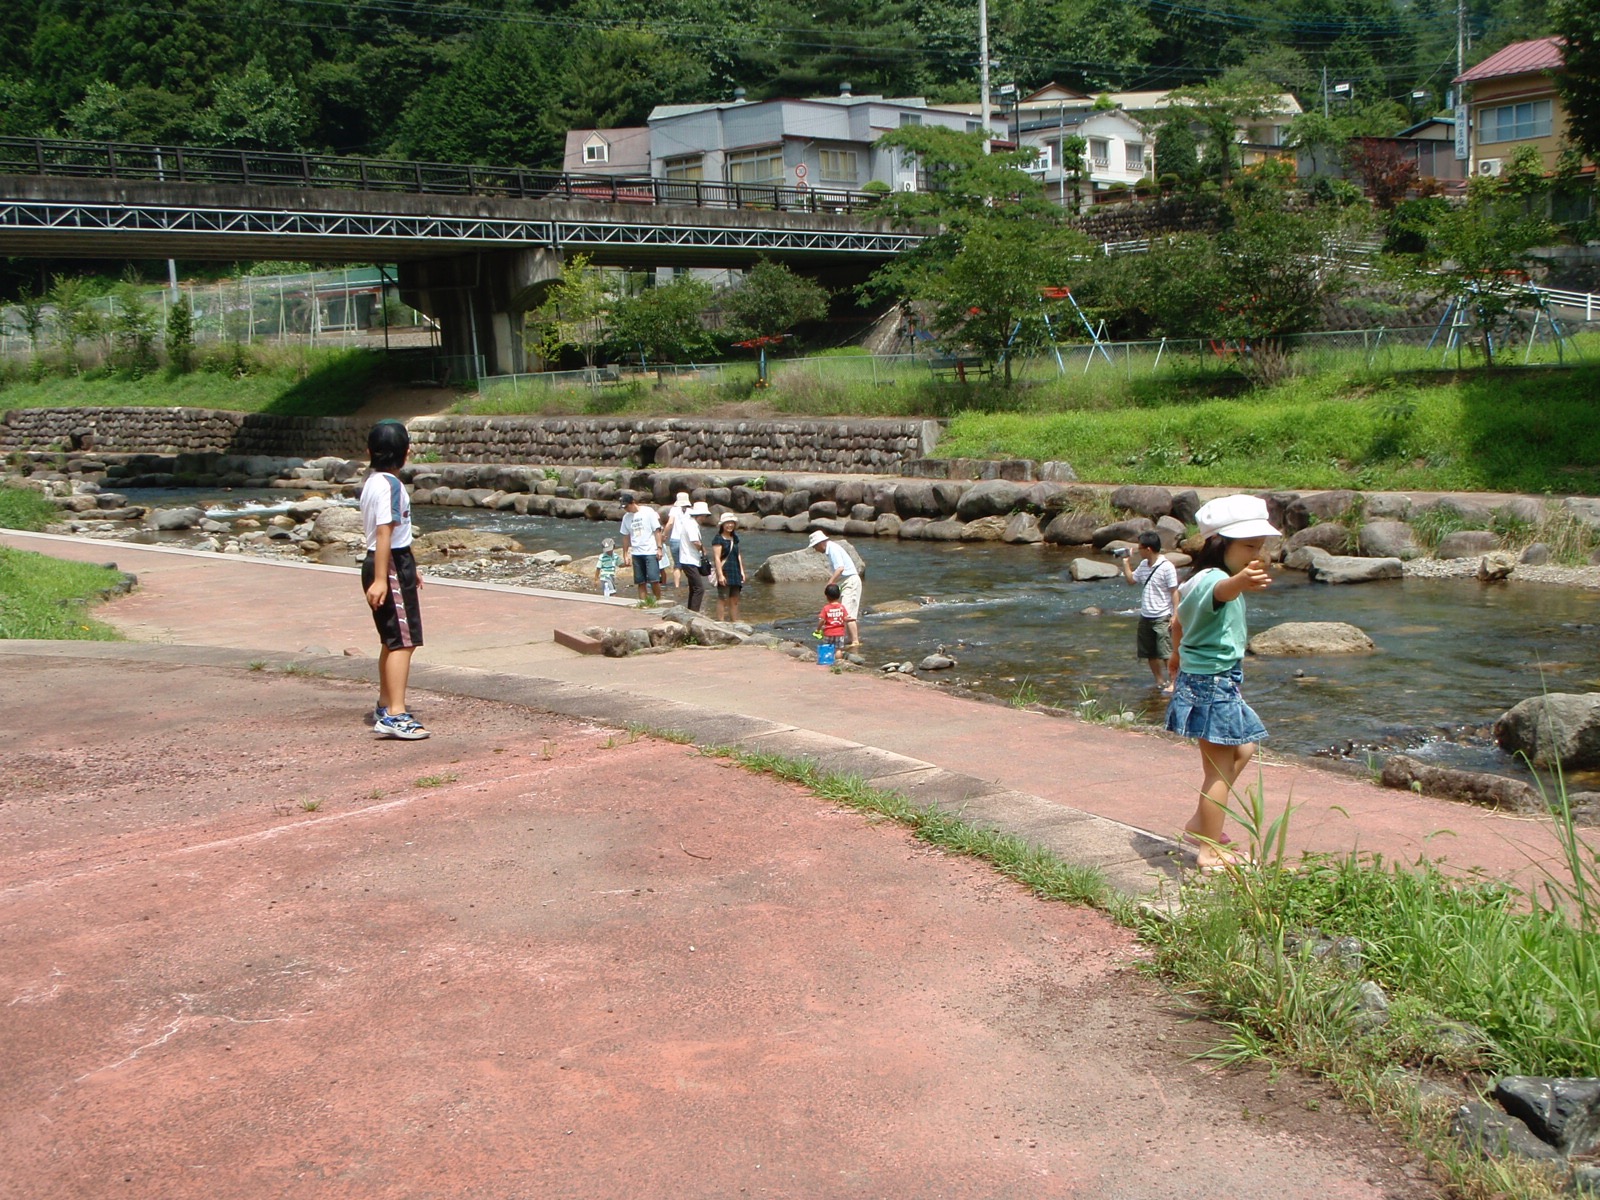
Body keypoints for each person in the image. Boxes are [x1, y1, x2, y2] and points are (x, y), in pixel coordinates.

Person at [1165, 494, 1278, 869]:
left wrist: (1177, 655)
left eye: (1259, 546)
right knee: (1218, 770)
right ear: (1218, 543)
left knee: (1241, 752)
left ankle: (1201, 821)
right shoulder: (1215, 580)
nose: (1255, 554)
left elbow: (1178, 622)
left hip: (1213, 680)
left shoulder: (1199, 579)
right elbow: (1219, 594)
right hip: (1211, 684)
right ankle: (1208, 849)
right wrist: (1241, 582)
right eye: (1248, 546)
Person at [359, 419, 429, 740]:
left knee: (391, 640)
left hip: (387, 561)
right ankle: (395, 714)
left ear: (370, 452)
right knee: (404, 641)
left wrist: (410, 566)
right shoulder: (392, 486)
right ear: (407, 453)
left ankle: (386, 704)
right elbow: (385, 531)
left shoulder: (372, 482)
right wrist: (382, 579)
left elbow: (394, 532)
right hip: (388, 565)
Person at [1119, 531, 1181, 693]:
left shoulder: (1167, 567)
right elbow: (1131, 580)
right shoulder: (1143, 565)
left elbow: (1174, 592)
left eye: (1139, 548)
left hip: (1162, 615)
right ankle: (1159, 681)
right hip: (1146, 615)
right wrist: (1125, 562)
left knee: (1166, 652)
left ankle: (1174, 682)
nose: (1138, 550)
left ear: (1148, 549)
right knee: (1149, 652)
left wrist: (1175, 615)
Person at [808, 529, 862, 648]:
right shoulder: (831, 548)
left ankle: (855, 641)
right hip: (846, 581)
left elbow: (840, 568)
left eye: (814, 547)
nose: (815, 549)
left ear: (820, 543)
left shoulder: (832, 549)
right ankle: (850, 640)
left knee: (848, 613)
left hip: (850, 581)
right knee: (845, 611)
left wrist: (830, 583)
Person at [618, 492, 664, 603]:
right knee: (640, 581)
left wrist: (659, 548)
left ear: (633, 502)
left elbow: (657, 530)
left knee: (654, 579)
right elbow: (625, 536)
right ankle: (643, 603)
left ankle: (658, 601)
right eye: (624, 508)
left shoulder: (648, 512)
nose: (626, 510)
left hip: (650, 550)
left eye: (627, 506)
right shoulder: (626, 517)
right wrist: (625, 554)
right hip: (636, 552)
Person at [675, 500, 712, 613]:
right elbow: (695, 541)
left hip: (690, 559)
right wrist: (703, 549)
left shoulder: (690, 523)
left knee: (694, 588)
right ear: (701, 515)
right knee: (699, 588)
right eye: (705, 516)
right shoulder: (691, 524)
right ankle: (694, 613)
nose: (705, 518)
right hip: (689, 559)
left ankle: (690, 611)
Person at [710, 513, 745, 623]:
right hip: (725, 570)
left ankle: (734, 621)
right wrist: (720, 575)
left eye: (732, 523)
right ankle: (721, 622)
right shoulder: (718, 539)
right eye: (727, 523)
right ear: (722, 525)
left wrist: (742, 571)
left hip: (735, 570)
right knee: (723, 598)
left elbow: (738, 554)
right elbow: (717, 558)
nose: (730, 525)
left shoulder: (735, 538)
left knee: (734, 599)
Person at [662, 490, 692, 588]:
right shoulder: (691, 511)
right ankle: (690, 584)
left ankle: (677, 586)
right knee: (688, 563)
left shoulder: (674, 510)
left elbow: (670, 523)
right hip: (687, 540)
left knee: (677, 565)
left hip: (675, 539)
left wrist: (664, 535)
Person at [817, 583, 849, 650]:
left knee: (827, 648)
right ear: (839, 595)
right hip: (840, 633)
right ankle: (839, 660)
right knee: (838, 649)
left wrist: (818, 629)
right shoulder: (842, 607)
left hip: (828, 632)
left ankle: (828, 659)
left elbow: (822, 620)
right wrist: (852, 619)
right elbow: (846, 618)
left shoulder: (826, 608)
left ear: (827, 596)